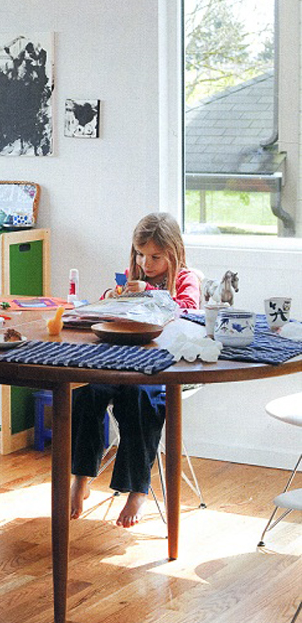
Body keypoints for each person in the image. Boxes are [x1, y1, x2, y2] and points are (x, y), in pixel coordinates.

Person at [70, 212, 200, 527]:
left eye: (155, 256)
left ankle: (137, 489)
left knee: (140, 398)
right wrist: (112, 297)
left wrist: (149, 294)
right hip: (119, 359)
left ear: (174, 252)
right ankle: (81, 477)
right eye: (141, 254)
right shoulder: (133, 275)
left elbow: (188, 313)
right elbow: (106, 309)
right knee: (86, 391)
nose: (146, 263)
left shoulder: (186, 279)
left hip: (161, 366)